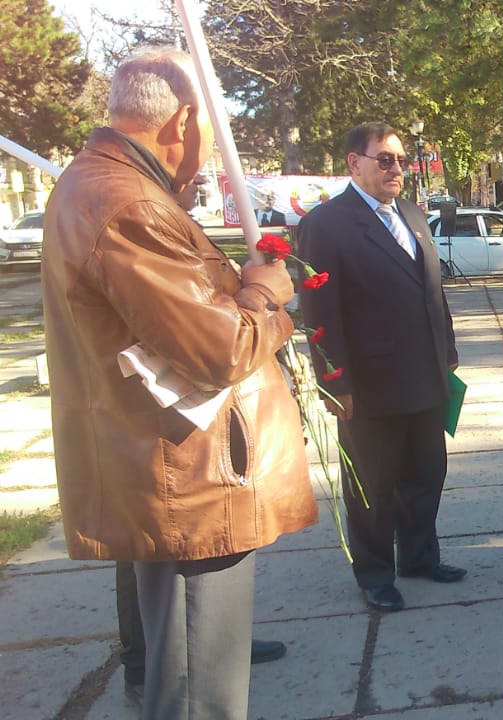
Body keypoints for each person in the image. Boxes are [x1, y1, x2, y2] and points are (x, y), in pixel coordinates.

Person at [41, 46, 317, 719]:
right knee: (199, 691)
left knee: (191, 670)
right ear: (185, 122)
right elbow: (221, 348)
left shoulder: (107, 186)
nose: (212, 152)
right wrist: (267, 295)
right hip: (191, 481)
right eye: (212, 133)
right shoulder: (128, 204)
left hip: (176, 467)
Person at [113, 171, 289, 706]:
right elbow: (220, 349)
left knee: (201, 632)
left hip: (188, 444)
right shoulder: (138, 216)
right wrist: (264, 296)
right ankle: (149, 663)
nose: (198, 180)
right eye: (191, 174)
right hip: (176, 453)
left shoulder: (155, 215)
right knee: (185, 637)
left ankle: (205, 646)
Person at [298, 122, 461, 613]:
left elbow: (432, 291)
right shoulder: (326, 224)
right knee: (372, 486)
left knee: (426, 474)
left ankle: (419, 557)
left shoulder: (411, 214)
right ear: (354, 162)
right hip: (370, 386)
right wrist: (334, 383)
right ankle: (374, 574)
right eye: (385, 159)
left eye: (401, 161)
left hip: (426, 376)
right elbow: (320, 314)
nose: (397, 169)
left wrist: (448, 354)